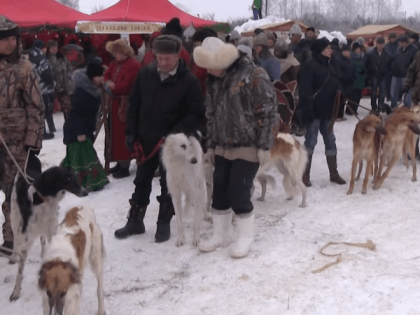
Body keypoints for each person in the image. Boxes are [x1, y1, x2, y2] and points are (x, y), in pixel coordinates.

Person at [114, 35, 205, 243]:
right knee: (141, 180)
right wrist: (131, 132)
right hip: (146, 139)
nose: (162, 63)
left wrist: (176, 132)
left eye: (167, 59)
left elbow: (197, 114)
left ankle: (163, 222)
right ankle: (135, 220)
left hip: (172, 144)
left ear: (177, 56)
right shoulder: (146, 73)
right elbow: (134, 104)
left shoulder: (188, 80)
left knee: (168, 183)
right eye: (159, 58)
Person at [193, 37, 278, 258]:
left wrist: (265, 145)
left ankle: (245, 236)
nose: (209, 71)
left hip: (248, 144)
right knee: (219, 190)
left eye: (213, 66)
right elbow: (211, 114)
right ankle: (220, 235)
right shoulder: (214, 80)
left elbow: (269, 111)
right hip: (222, 145)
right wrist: (210, 146)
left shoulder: (254, 74)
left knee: (238, 190)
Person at [0, 16, 44, 255]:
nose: (9, 43)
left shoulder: (24, 68)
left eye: (12, 38)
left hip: (16, 143)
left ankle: (12, 237)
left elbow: (35, 107)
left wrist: (33, 141)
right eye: (4, 39)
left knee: (13, 191)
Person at [298, 38, 346, 187]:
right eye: (327, 48)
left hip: (327, 112)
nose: (330, 50)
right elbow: (304, 91)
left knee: (330, 141)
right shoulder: (309, 67)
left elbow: (336, 83)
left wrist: (339, 91)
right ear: (319, 50)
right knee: (310, 142)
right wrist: (309, 111)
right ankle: (305, 174)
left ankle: (334, 173)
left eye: (330, 48)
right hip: (313, 112)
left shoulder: (331, 66)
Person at [61, 62, 109, 192]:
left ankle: (67, 178)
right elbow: (78, 114)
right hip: (76, 130)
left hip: (84, 128)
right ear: (92, 77)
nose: (102, 79)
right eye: (99, 76)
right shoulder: (83, 93)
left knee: (82, 154)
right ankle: (83, 182)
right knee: (81, 156)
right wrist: (81, 132)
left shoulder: (93, 89)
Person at [103, 39, 142, 179]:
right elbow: (106, 75)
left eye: (117, 52)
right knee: (115, 135)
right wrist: (108, 82)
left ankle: (125, 165)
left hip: (126, 105)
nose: (114, 55)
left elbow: (124, 86)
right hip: (115, 104)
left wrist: (113, 86)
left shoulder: (133, 65)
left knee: (123, 135)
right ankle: (120, 163)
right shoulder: (115, 63)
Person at [29, 39, 55, 140]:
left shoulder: (29, 57)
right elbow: (46, 73)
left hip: (31, 88)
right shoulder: (40, 58)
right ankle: (43, 132)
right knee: (43, 110)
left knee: (36, 111)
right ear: (41, 48)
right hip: (42, 88)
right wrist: (52, 82)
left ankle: (39, 132)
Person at [46, 40, 73, 121]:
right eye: (52, 47)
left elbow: (69, 69)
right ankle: (50, 126)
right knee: (48, 108)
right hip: (51, 88)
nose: (54, 49)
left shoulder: (62, 57)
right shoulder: (45, 59)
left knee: (67, 107)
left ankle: (69, 124)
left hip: (63, 86)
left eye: (55, 47)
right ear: (49, 48)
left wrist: (68, 80)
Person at [390, 35, 417, 110]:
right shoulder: (398, 49)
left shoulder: (414, 49)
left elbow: (414, 64)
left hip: (406, 76)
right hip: (395, 75)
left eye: (399, 42)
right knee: (393, 95)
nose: (398, 44)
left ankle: (406, 111)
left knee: (407, 96)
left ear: (404, 42)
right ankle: (393, 110)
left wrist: (408, 72)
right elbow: (393, 60)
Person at [365, 37, 392, 111]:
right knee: (373, 93)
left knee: (382, 93)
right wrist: (369, 72)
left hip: (383, 76)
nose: (380, 46)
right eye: (379, 44)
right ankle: (373, 107)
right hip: (374, 75)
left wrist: (387, 74)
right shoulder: (370, 53)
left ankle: (380, 107)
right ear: (376, 44)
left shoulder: (388, 55)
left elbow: (390, 67)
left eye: (382, 44)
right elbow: (367, 64)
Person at [335, 44, 355, 120]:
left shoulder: (351, 60)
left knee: (344, 100)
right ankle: (337, 115)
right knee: (339, 100)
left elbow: (353, 70)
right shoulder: (339, 60)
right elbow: (338, 72)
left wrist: (352, 78)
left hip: (349, 83)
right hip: (341, 82)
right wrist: (344, 77)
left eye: (348, 51)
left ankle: (341, 115)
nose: (346, 52)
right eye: (345, 51)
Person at [345, 42, 365, 115]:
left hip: (360, 78)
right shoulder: (351, 57)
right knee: (352, 96)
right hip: (353, 78)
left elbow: (364, 66)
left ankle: (355, 109)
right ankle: (349, 110)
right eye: (357, 49)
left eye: (359, 48)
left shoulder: (362, 57)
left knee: (358, 96)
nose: (358, 50)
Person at [384, 33, 399, 100]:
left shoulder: (398, 45)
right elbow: (388, 54)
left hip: (397, 66)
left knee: (397, 82)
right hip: (388, 66)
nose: (393, 39)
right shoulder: (387, 46)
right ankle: (388, 96)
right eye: (392, 38)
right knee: (388, 82)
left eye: (394, 38)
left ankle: (397, 96)